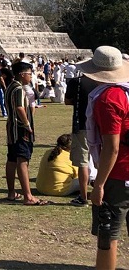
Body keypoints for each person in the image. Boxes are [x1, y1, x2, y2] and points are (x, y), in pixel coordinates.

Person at [77, 46, 129, 269]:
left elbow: (111, 147)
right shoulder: (126, 92)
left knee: (108, 233)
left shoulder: (108, 99)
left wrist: (99, 184)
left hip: (118, 174)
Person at [4, 60, 47, 205]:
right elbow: (19, 108)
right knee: (23, 160)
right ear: (22, 75)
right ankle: (28, 196)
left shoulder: (10, 86)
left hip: (12, 128)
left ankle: (11, 193)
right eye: (29, 74)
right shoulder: (18, 89)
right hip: (20, 129)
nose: (31, 76)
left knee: (11, 159)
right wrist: (27, 123)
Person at [65, 72, 99, 206]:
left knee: (83, 162)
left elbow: (67, 101)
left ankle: (83, 197)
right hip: (98, 124)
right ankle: (102, 191)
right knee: (100, 159)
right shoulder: (100, 82)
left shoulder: (76, 82)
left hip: (82, 124)